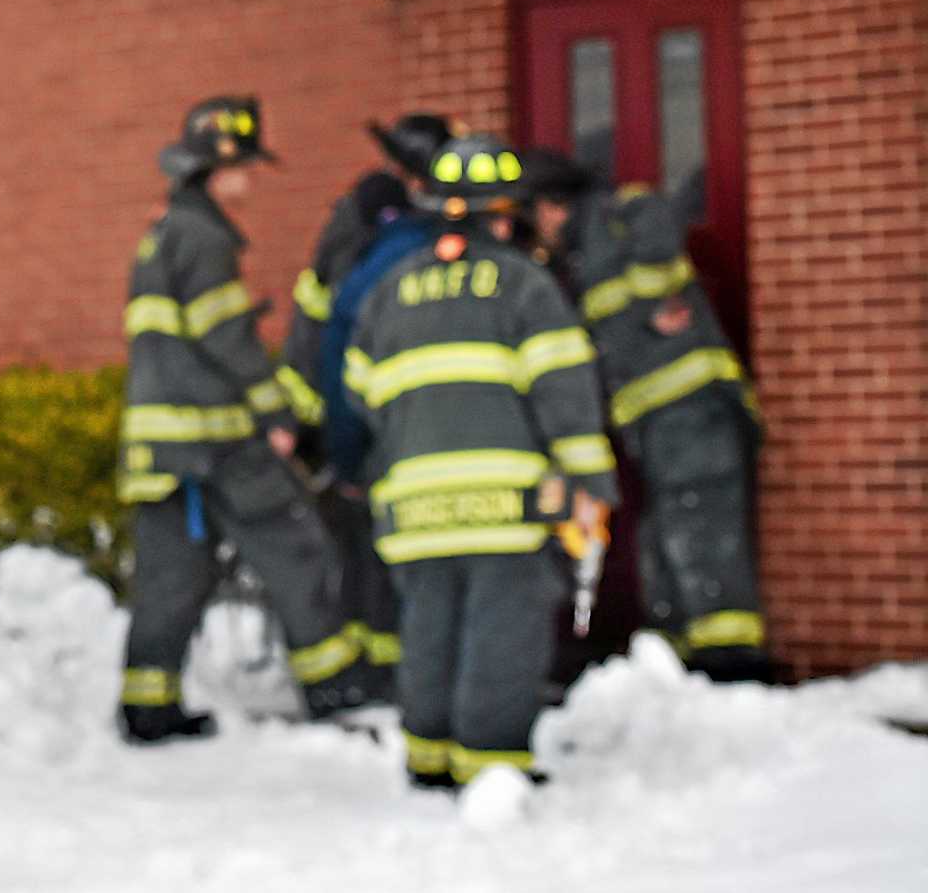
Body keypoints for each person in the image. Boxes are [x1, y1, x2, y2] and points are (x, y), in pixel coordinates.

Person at [343, 135, 617, 790]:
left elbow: (361, 391)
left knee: (428, 630)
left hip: (413, 509)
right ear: (504, 214)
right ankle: (491, 768)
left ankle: (430, 759)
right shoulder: (524, 285)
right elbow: (566, 396)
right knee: (501, 634)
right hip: (504, 509)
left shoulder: (391, 291)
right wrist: (592, 484)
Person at [116, 97, 365, 742]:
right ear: (215, 171)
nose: (249, 181)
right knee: (296, 550)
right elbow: (227, 340)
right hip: (219, 441)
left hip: (164, 450)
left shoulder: (166, 233)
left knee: (175, 577)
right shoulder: (203, 238)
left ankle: (148, 706)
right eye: (243, 168)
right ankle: (334, 689)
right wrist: (278, 415)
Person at [521, 150, 769, 681]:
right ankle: (685, 654)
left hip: (694, 410)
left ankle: (732, 661)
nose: (536, 227)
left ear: (555, 204)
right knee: (668, 536)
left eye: (535, 212)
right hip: (655, 425)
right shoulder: (581, 261)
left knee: (702, 532)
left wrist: (658, 295)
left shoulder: (622, 216)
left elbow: (656, 226)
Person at [275, 115, 456, 696]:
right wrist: (321, 426)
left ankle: (391, 669)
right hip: (362, 412)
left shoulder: (383, 224)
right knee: (369, 551)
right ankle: (384, 671)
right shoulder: (377, 227)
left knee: (375, 549)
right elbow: (326, 326)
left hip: (363, 411)